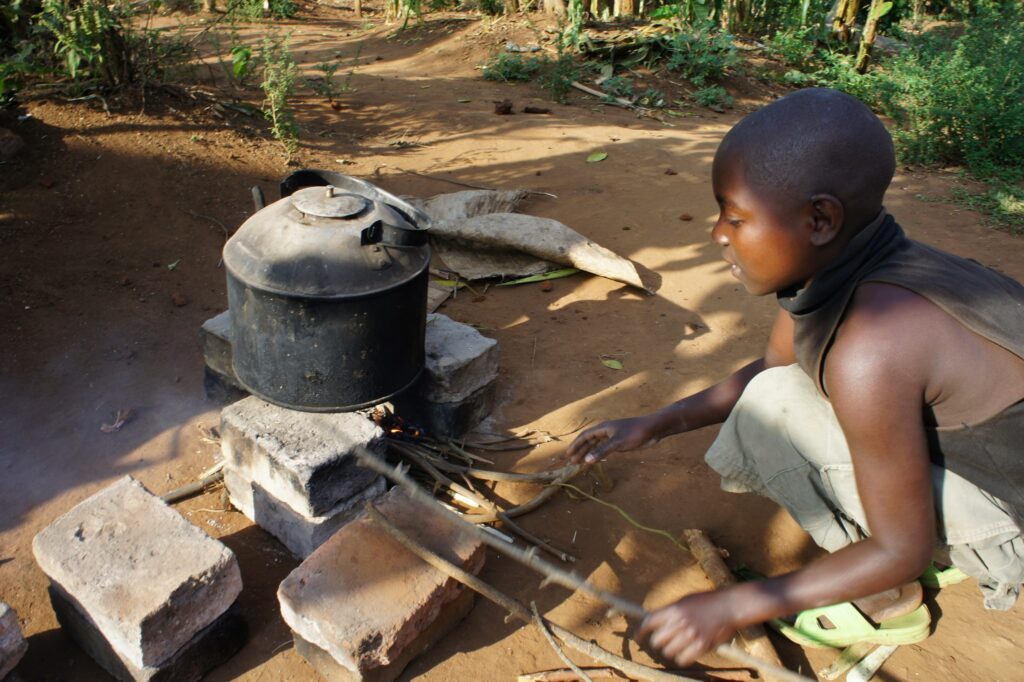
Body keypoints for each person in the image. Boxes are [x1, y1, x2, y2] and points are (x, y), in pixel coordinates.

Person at [567, 88, 1024, 666]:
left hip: (1010, 527)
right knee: (776, 390)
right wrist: (653, 424)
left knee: (772, 413)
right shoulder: (853, 259)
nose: (718, 235)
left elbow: (899, 548)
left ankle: (888, 599)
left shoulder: (873, 345)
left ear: (820, 218)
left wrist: (735, 607)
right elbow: (774, 364)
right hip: (996, 471)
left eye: (734, 217)